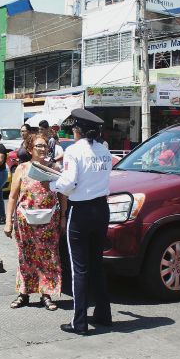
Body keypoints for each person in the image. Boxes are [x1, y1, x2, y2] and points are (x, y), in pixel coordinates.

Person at [49, 109, 113, 335]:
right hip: (101, 209)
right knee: (96, 264)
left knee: (79, 269)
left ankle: (80, 322)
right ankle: (104, 314)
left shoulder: (73, 151)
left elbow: (68, 184)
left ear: (78, 130)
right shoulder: (104, 150)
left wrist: (52, 183)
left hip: (81, 211)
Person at [4, 134, 68, 312]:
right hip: (25, 221)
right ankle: (24, 294)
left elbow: (63, 195)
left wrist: (63, 217)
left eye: (45, 146)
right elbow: (12, 196)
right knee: (25, 257)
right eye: (38, 146)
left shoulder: (54, 168)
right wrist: (8, 221)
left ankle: (46, 294)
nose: (42, 149)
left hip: (50, 222)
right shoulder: (22, 169)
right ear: (30, 149)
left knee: (48, 257)